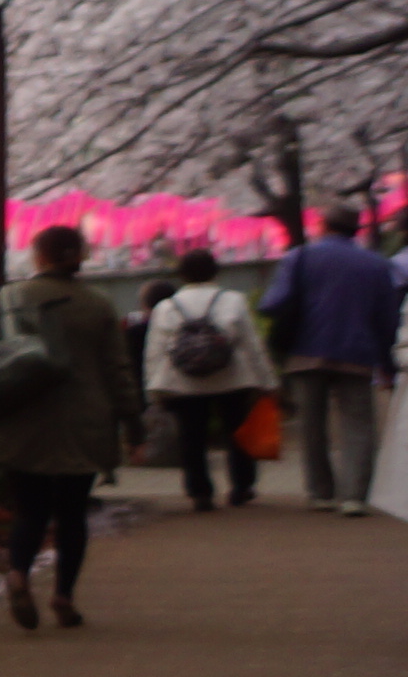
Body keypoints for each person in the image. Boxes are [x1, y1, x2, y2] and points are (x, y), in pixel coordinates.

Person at [0, 224, 141, 629]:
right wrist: (132, 420)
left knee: (30, 509)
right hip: (85, 419)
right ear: (80, 255)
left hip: (25, 417)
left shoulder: (11, 298)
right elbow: (117, 369)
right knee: (72, 513)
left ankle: (19, 572)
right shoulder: (97, 304)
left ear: (38, 255)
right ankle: (63, 598)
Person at [257, 204, 406, 514]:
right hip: (358, 352)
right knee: (359, 425)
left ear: (323, 224)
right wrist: (387, 366)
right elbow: (387, 320)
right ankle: (354, 495)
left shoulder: (299, 258)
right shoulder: (376, 265)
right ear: (357, 230)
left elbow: (273, 303)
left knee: (312, 424)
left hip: (306, 350)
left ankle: (321, 492)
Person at [142, 244, 278, 511]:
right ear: (215, 272)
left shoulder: (167, 307)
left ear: (181, 275)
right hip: (232, 378)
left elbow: (155, 350)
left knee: (191, 437)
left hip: (184, 381)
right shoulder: (233, 300)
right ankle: (241, 486)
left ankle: (200, 491)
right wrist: (268, 381)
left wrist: (153, 387)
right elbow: (253, 344)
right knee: (237, 433)